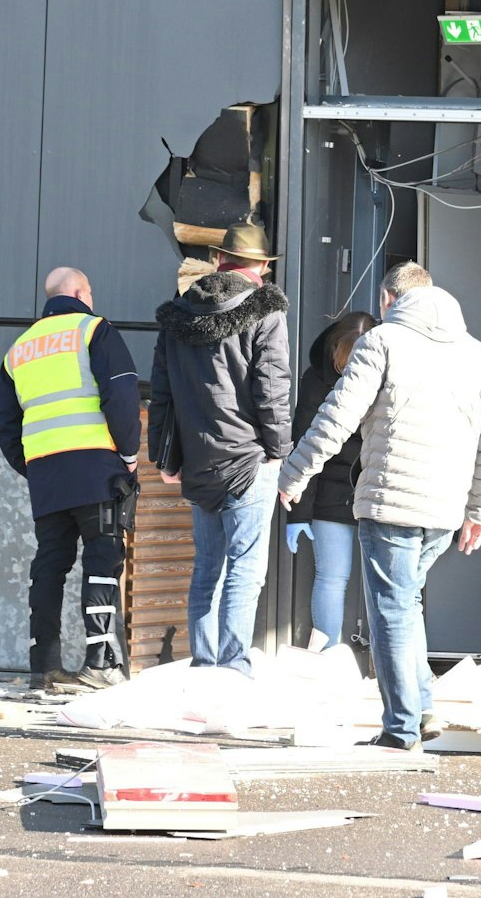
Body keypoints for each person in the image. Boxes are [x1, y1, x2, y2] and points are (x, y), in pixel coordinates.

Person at [279, 263, 481, 751]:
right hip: (445, 509)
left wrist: (295, 473)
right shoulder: (476, 353)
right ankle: (421, 709)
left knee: (392, 611)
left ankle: (401, 729)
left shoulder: (382, 341)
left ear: (388, 299)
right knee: (406, 605)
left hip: (391, 502)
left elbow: (337, 415)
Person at [150, 222, 292, 677]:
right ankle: (232, 669)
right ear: (262, 267)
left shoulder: (179, 313)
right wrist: (279, 450)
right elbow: (272, 387)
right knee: (245, 571)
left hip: (197, 461)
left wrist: (163, 458)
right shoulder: (265, 310)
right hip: (248, 460)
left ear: (218, 260)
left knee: (208, 567)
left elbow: (162, 392)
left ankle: (204, 666)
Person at [0, 266, 141, 691]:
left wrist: (34, 466)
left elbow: (5, 424)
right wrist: (129, 455)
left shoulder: (18, 349)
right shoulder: (94, 330)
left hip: (47, 475)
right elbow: (122, 395)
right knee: (102, 559)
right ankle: (101, 662)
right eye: (89, 292)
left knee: (50, 565)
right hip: (97, 469)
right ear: (79, 293)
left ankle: (45, 666)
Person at [285, 311, 377, 649]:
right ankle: (326, 656)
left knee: (383, 586)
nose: (347, 367)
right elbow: (304, 442)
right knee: (333, 578)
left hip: (375, 491)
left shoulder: (389, 376)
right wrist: (298, 514)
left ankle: (386, 663)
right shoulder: (317, 379)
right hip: (330, 492)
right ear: (333, 349)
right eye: (343, 361)